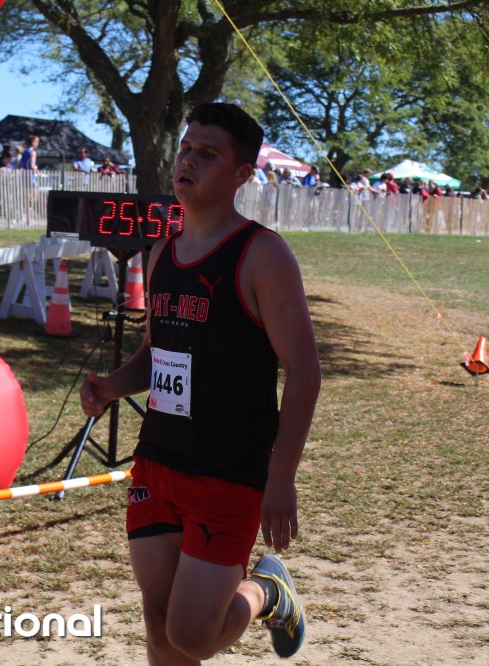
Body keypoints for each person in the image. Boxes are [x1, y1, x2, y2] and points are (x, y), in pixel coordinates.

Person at [80, 102, 320, 663]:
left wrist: (281, 476)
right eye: (186, 148)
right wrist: (112, 386)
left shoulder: (262, 253)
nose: (188, 160)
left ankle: (266, 592)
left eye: (207, 154)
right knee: (158, 622)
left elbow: (305, 370)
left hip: (228, 469)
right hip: (158, 459)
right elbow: (157, 351)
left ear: (242, 173)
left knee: (191, 634)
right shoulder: (161, 251)